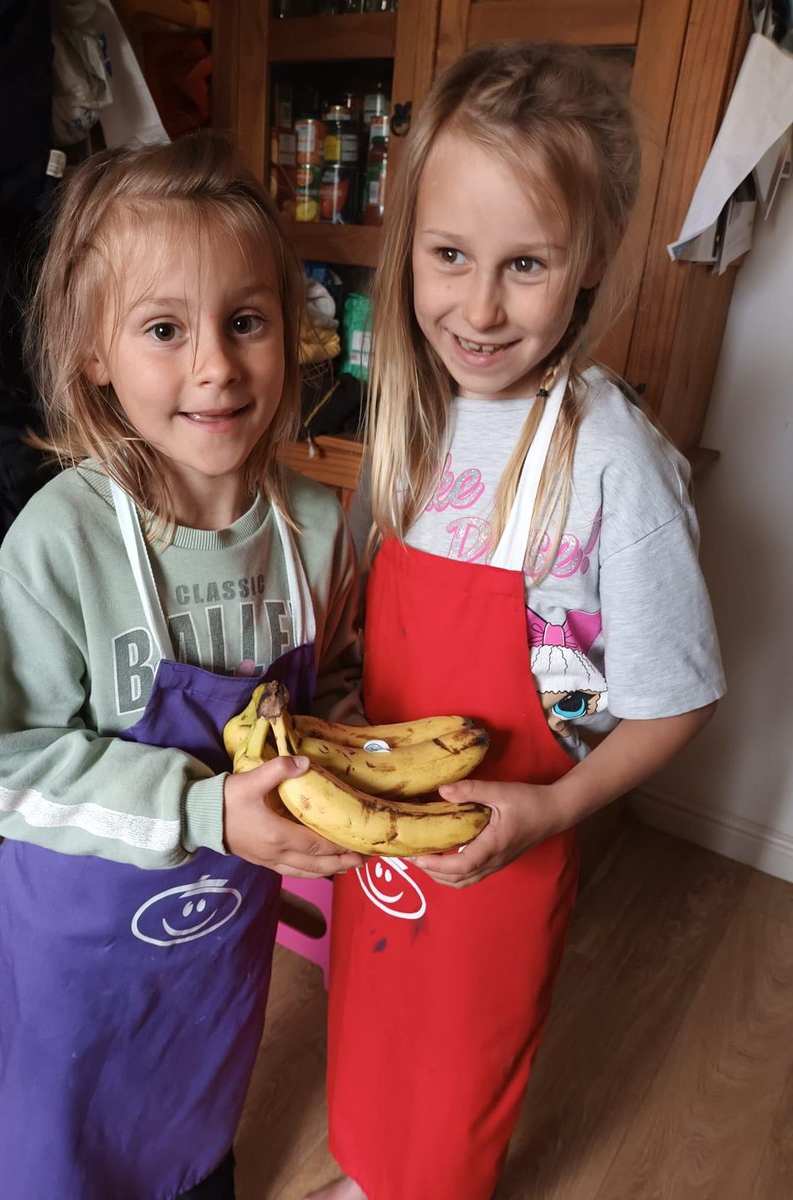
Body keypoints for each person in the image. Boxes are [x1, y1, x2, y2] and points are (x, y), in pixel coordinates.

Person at [315, 41, 725, 1200]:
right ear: (410, 251)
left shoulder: (611, 464)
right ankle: (368, 1169)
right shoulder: (414, 413)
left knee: (460, 1064)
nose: (479, 309)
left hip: (510, 843)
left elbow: (677, 697)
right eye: (450, 256)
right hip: (382, 824)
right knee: (370, 1012)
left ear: (588, 262)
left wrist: (553, 808)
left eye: (526, 265)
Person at [0, 131, 365, 1200]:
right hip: (77, 970)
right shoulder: (61, 543)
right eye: (164, 330)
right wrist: (204, 809)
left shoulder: (317, 528)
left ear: (291, 332)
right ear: (95, 351)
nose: (216, 367)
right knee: (53, 1154)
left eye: (245, 322)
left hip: (218, 951)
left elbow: (340, 691)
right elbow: (8, 767)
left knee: (191, 1133)